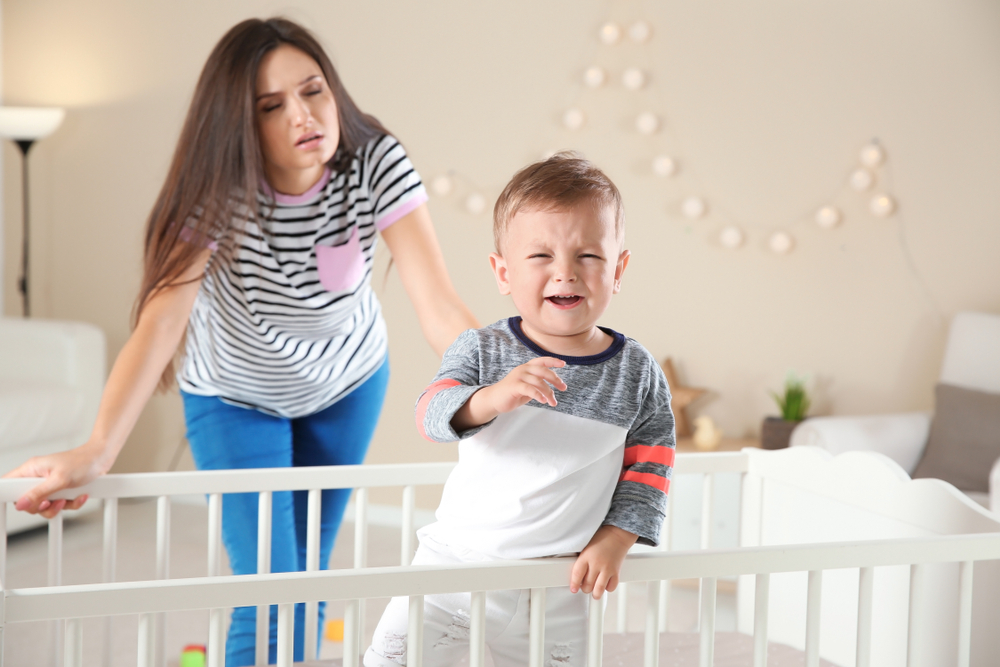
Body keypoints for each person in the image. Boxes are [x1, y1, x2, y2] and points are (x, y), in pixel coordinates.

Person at [3, 17, 478, 667]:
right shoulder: (215, 191)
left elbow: (438, 303)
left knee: (308, 573)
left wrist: (497, 380)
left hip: (347, 382)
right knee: (266, 585)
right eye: (271, 106)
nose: (303, 115)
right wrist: (98, 446)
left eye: (313, 91)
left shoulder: (373, 161)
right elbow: (161, 322)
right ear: (240, 124)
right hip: (234, 394)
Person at [365, 152, 675, 667]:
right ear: (503, 272)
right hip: (453, 566)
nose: (565, 274)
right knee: (389, 660)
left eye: (588, 257)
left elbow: (650, 465)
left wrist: (617, 537)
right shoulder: (481, 350)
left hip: (556, 581)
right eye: (541, 257)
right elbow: (429, 412)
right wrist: (489, 398)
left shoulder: (637, 373)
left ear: (618, 269)